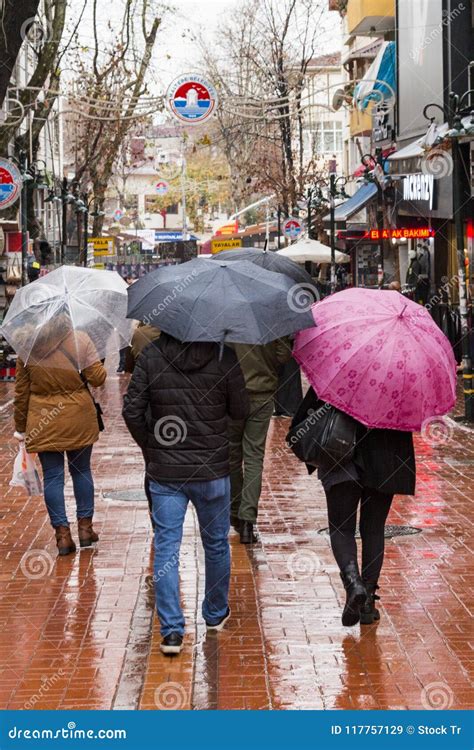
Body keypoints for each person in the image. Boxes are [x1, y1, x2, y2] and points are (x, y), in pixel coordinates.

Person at [123, 332, 248, 655]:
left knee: (167, 548)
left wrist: (151, 446)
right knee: (216, 543)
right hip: (212, 471)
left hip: (166, 472)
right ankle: (215, 613)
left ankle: (172, 631)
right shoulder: (225, 356)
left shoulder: (150, 356)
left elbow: (132, 411)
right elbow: (241, 410)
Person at [293, 387, 415, 627]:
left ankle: (353, 584)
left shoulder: (338, 368)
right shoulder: (403, 377)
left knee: (341, 528)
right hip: (386, 458)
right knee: (373, 528)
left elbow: (304, 418)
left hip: (341, 455)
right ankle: (368, 600)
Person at [13, 319, 107, 556]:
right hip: (78, 415)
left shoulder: (28, 347)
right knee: (82, 471)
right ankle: (85, 529)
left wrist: (21, 428)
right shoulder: (81, 339)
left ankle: (62, 535)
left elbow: (22, 393)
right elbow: (98, 378)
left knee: (53, 477)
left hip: (43, 419)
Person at [229, 338, 292, 544]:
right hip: (263, 393)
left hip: (233, 393)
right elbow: (284, 355)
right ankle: (247, 520)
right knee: (254, 457)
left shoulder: (229, 315)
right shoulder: (271, 319)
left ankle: (236, 511)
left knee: (232, 456)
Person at [117, 275, 135, 373]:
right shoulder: (121, 293)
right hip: (123, 321)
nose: (131, 281)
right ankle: (122, 364)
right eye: (129, 279)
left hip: (131, 321)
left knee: (129, 344)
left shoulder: (133, 291)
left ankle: (127, 364)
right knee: (123, 344)